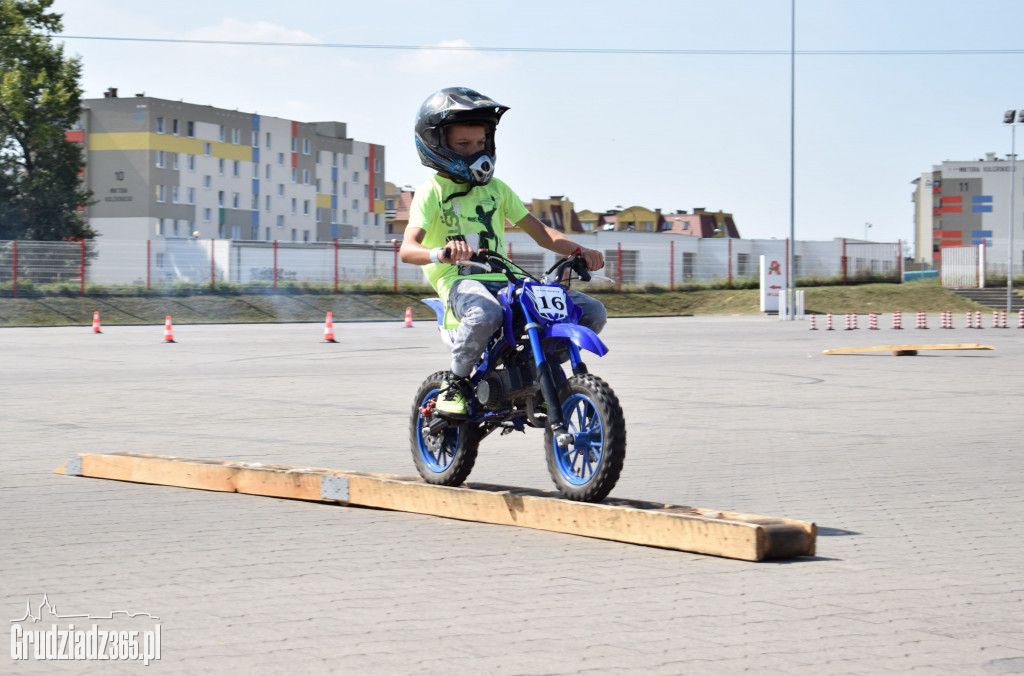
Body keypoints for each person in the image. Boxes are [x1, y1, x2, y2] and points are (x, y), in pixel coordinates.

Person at [399, 86, 607, 418]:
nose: (475, 151)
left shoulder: (497, 190)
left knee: (590, 311)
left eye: (480, 143)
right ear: (437, 144)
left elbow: (543, 235)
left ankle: (540, 377)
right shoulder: (431, 193)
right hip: (460, 281)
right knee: (485, 313)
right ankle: (456, 383)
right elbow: (408, 250)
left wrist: (580, 250)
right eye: (463, 144)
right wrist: (441, 253)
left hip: (504, 280)